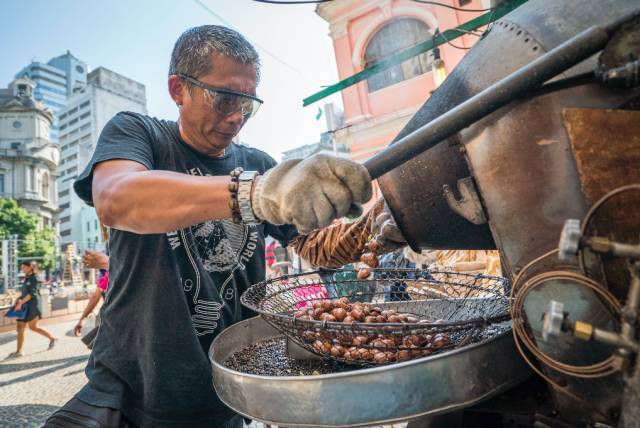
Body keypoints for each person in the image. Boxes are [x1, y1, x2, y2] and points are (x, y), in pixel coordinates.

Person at [45, 25, 372, 427]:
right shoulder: (139, 133)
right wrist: (253, 195)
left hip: (228, 386)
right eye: (224, 99)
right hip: (135, 391)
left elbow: (317, 246)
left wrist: (376, 229)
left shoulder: (259, 164)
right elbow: (116, 198)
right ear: (178, 89)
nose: (237, 117)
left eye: (248, 105)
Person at [7, 261, 57, 359]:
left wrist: (20, 302)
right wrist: (18, 300)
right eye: (21, 267)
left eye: (24, 267)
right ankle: (19, 351)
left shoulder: (35, 278)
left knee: (33, 327)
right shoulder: (27, 278)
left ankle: (52, 338)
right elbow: (25, 293)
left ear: (30, 267)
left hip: (33, 306)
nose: (22, 269)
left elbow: (31, 294)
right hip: (24, 306)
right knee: (20, 327)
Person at [73, 250, 110, 338]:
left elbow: (95, 296)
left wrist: (107, 263)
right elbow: (96, 296)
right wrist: (82, 319)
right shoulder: (106, 276)